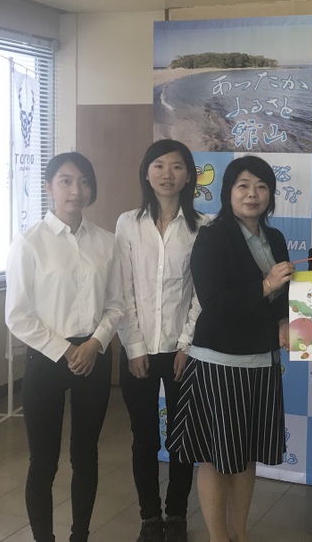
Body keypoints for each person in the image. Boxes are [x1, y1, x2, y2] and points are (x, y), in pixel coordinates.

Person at [167, 155, 294, 542]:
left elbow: (282, 295)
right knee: (216, 457)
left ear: (270, 194)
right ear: (227, 193)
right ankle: (218, 537)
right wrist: (267, 286)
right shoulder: (212, 236)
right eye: (243, 186)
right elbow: (216, 301)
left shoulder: (274, 238)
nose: (252, 194)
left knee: (246, 455)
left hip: (262, 361)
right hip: (218, 364)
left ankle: (240, 534)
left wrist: (285, 318)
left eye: (261, 186)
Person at [5, 152, 123, 542]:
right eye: (66, 181)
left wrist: (94, 344)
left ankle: (80, 536)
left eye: (84, 182)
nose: (76, 190)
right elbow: (18, 315)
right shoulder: (29, 242)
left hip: (94, 355)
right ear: (49, 187)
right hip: (47, 358)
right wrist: (63, 349)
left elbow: (116, 303)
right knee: (43, 462)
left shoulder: (106, 242)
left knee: (86, 456)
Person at [115, 139, 209, 542]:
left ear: (189, 175)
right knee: (144, 438)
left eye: (176, 166)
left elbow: (201, 294)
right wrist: (134, 346)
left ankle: (176, 516)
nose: (167, 174)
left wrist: (186, 344)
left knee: (182, 439)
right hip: (138, 350)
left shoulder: (203, 226)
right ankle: (149, 518)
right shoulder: (127, 223)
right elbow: (122, 290)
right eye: (158, 165)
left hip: (181, 352)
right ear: (146, 172)